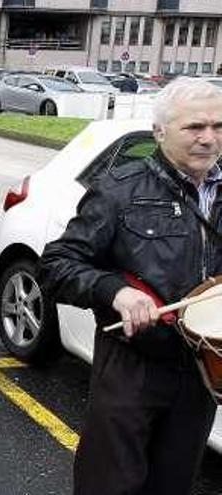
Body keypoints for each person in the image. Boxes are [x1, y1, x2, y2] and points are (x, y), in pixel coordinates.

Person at [39, 78, 222, 495]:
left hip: (200, 374)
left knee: (172, 485)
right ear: (159, 131)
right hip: (130, 369)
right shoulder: (120, 189)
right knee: (109, 485)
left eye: (219, 126)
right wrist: (114, 291)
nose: (209, 139)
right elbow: (57, 264)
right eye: (195, 127)